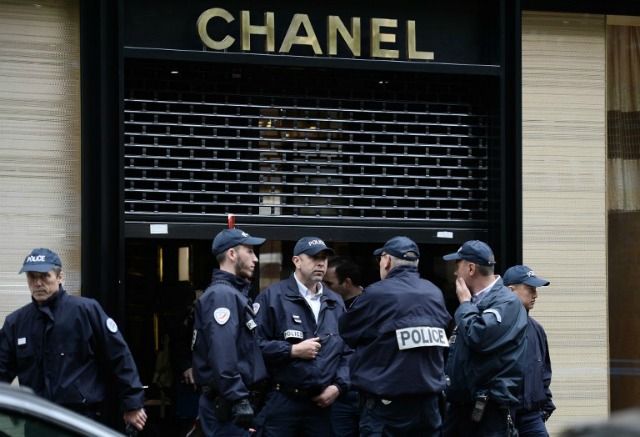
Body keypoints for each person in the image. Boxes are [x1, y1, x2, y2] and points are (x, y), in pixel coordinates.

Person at [0, 248, 147, 432]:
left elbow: (119, 357)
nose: (38, 283)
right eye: (32, 277)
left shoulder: (86, 311)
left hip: (81, 421)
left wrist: (133, 404)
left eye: (45, 276)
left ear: (59, 277)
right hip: (37, 422)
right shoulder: (16, 322)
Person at [339, 236, 452, 436]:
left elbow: (347, 331)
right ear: (416, 263)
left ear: (387, 260)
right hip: (428, 406)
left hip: (387, 408)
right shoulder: (434, 293)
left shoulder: (376, 294)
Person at [254, 236, 350, 437]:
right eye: (314, 257)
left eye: (324, 258)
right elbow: (254, 347)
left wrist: (338, 387)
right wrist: (291, 350)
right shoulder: (272, 298)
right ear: (296, 261)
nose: (321, 263)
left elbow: (348, 352)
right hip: (283, 401)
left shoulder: (335, 302)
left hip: (322, 404)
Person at [441, 240, 528, 437]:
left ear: (471, 268)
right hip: (461, 408)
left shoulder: (506, 302)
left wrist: (464, 304)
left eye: (457, 265)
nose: (455, 272)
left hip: (487, 411)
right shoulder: (476, 303)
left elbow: (479, 336)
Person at [191, 227, 269, 436]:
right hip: (228, 404)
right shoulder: (222, 295)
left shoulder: (233, 293)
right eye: (250, 251)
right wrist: (238, 398)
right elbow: (222, 352)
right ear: (232, 254)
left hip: (232, 400)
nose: (256, 259)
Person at [503, 265, 556, 437]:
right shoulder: (495, 324)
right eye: (530, 288)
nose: (536, 294)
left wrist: (546, 407)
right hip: (500, 415)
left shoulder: (536, 329)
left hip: (532, 417)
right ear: (511, 290)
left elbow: (544, 371)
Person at [324, 257, 363, 437]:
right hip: (338, 392)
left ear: (347, 282)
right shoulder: (325, 305)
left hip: (366, 392)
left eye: (328, 283)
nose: (324, 288)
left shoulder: (372, 305)